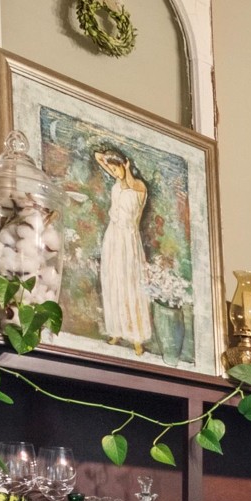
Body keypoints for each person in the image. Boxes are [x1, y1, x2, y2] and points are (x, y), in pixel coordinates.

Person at [92, 146, 153, 352]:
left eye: (116, 169)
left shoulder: (138, 187)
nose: (114, 172)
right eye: (112, 170)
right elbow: (98, 157)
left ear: (124, 165)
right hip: (113, 235)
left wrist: (124, 167)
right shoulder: (117, 184)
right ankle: (116, 331)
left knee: (131, 283)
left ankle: (136, 337)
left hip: (128, 238)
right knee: (113, 280)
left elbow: (129, 182)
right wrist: (110, 161)